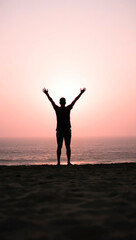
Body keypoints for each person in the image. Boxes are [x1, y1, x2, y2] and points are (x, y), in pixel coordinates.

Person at [42, 87, 86, 165]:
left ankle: (59, 162)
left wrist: (47, 94)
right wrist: (81, 93)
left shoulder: (58, 109)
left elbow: (51, 101)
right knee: (67, 146)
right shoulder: (66, 108)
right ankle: (67, 162)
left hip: (61, 130)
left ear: (60, 102)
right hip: (65, 129)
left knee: (60, 146)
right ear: (65, 102)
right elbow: (75, 100)